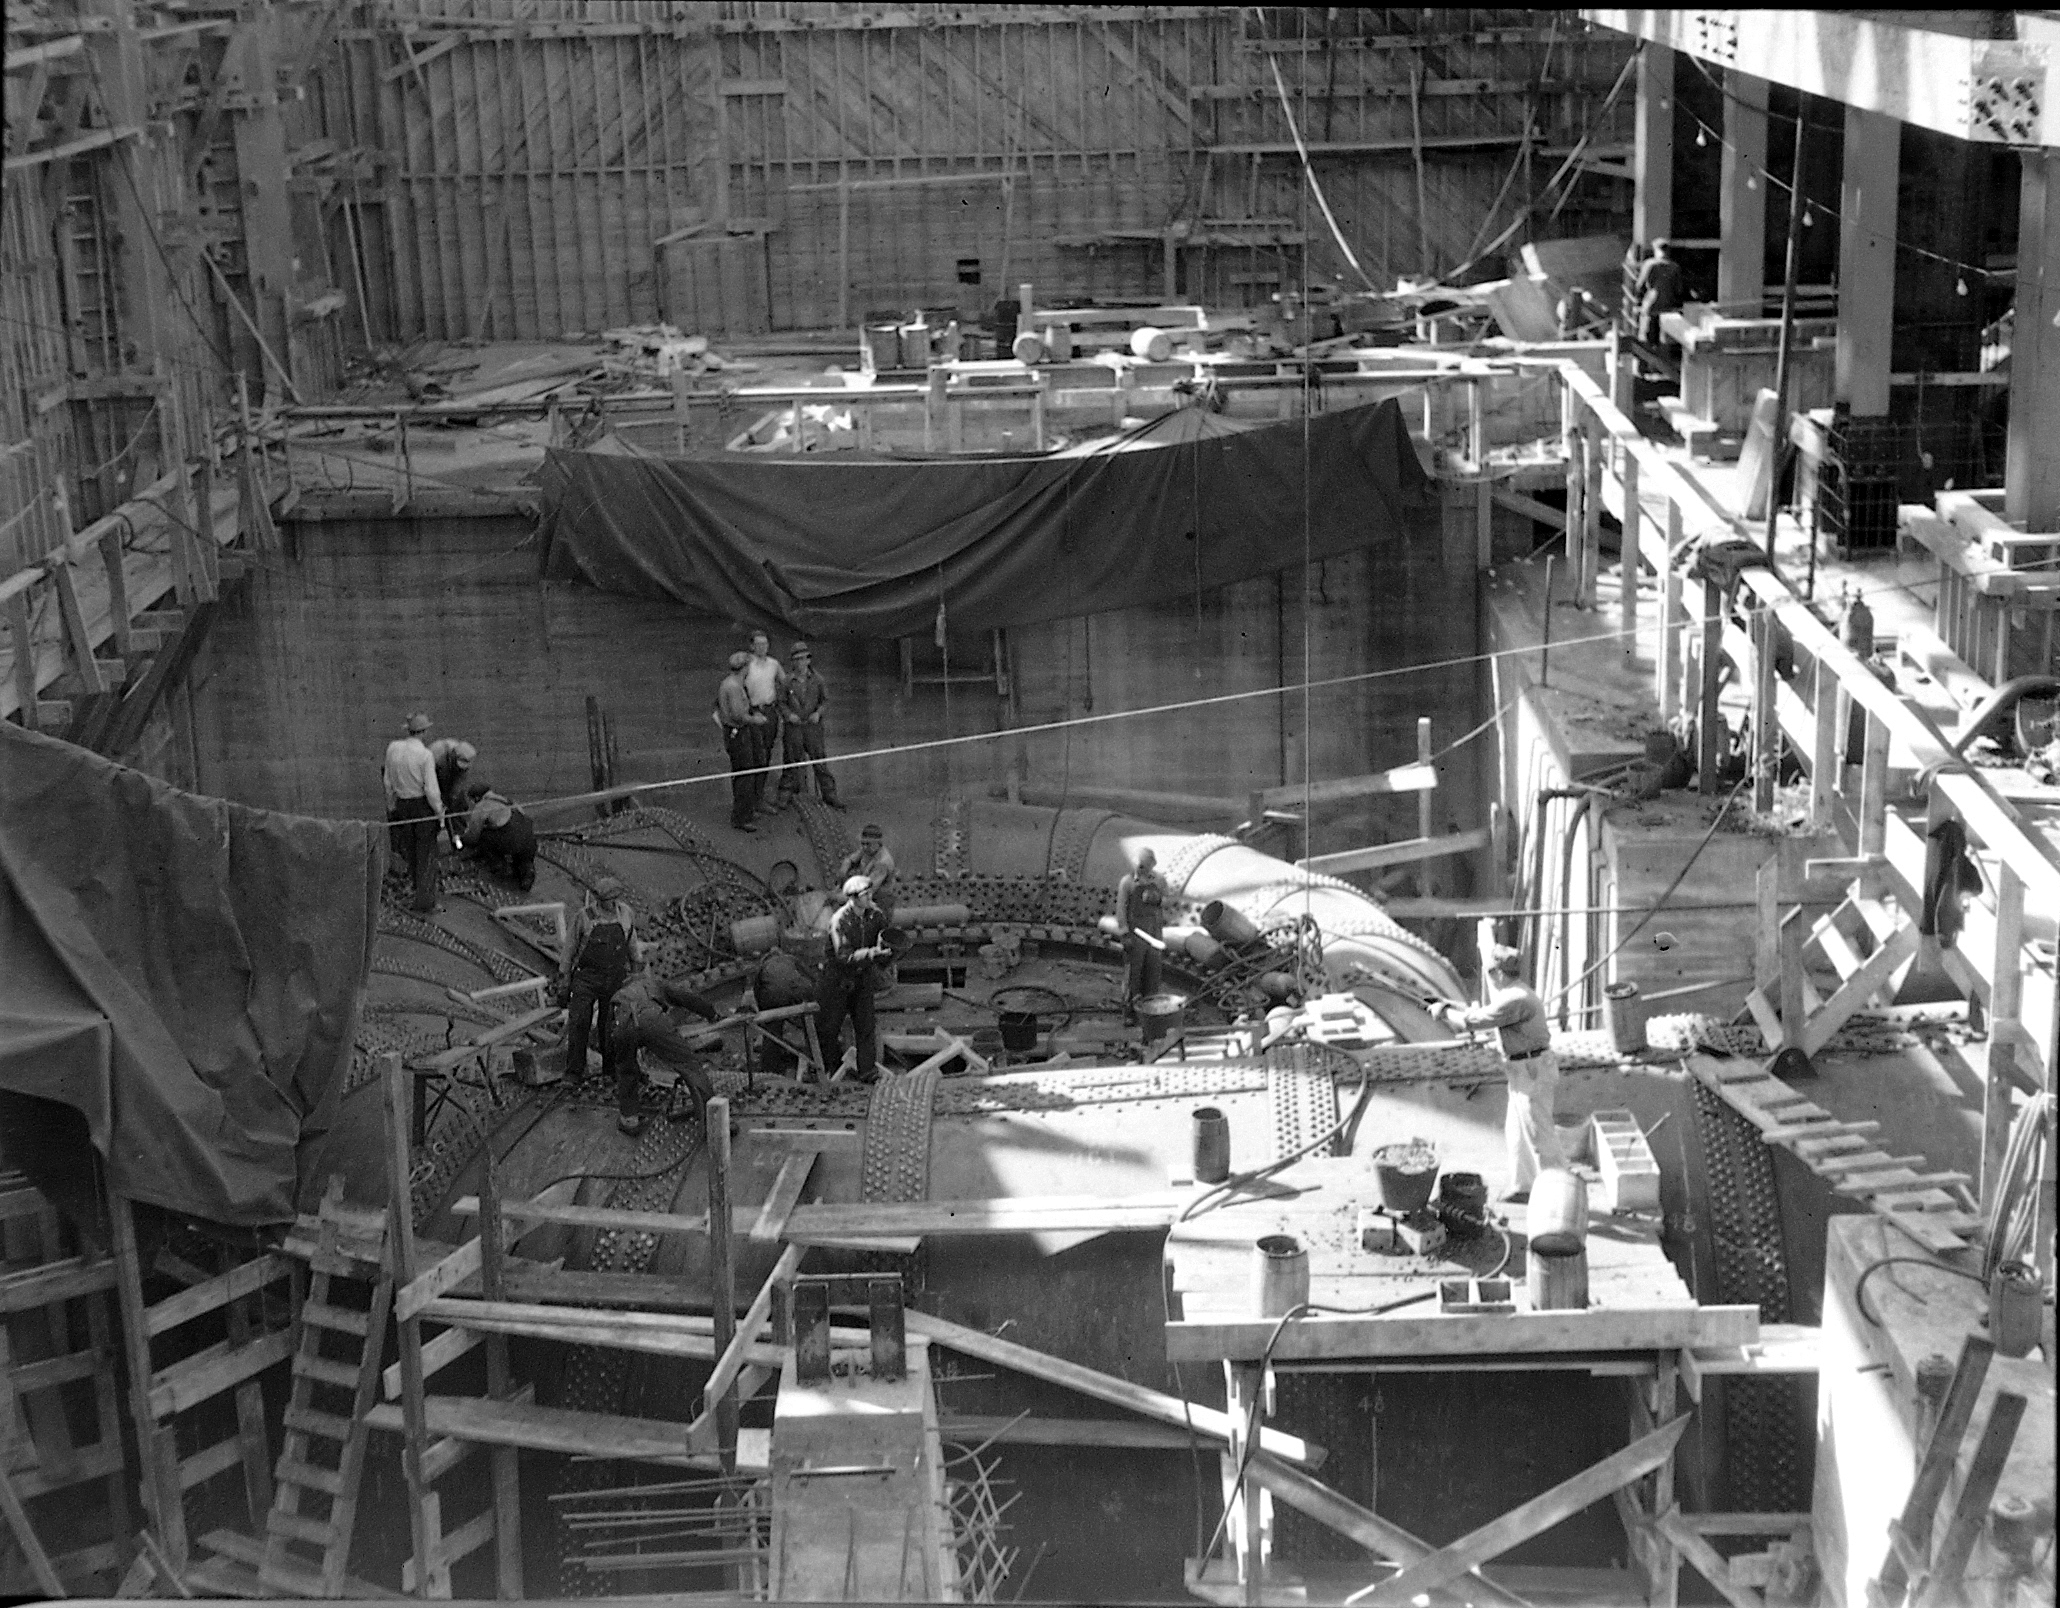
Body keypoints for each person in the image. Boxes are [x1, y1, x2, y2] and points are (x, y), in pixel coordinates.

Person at [1433, 946, 1564, 1200]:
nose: (1489, 977)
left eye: (1491, 973)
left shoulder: (1515, 998)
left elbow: (1475, 1021)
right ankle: (1523, 1187)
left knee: (1539, 1134)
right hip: (1521, 1069)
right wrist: (1452, 1007)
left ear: (1500, 973)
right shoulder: (1515, 993)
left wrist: (1443, 1012)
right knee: (1516, 1133)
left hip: (1532, 1070)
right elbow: (1484, 1014)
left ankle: (1559, 1193)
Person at [608, 967, 723, 1135]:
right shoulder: (652, 983)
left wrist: (614, 1062)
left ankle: (629, 1120)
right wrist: (710, 1013)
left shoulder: (617, 997)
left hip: (623, 1025)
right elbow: (686, 997)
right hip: (652, 1019)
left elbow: (608, 1034)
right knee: (688, 1065)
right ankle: (712, 1121)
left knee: (625, 1070)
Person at [559, 880, 640, 1096]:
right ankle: (574, 1072)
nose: (608, 904)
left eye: (611, 899)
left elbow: (632, 943)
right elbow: (569, 948)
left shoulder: (625, 914)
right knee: (579, 1022)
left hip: (615, 977)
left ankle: (610, 1069)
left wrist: (636, 969)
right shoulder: (584, 917)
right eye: (604, 900)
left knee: (609, 1025)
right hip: (587, 978)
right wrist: (564, 976)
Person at [819, 875, 890, 1082]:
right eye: (864, 895)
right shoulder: (840, 920)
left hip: (862, 978)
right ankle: (825, 1072)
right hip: (838, 980)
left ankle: (867, 1072)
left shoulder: (875, 916)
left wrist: (887, 954)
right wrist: (872, 954)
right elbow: (844, 956)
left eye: (869, 893)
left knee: (866, 1026)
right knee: (829, 1027)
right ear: (852, 898)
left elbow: (883, 939)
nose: (869, 897)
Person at [382, 712, 443, 913]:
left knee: (410, 851)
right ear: (424, 731)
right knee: (426, 854)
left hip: (402, 806)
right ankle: (426, 902)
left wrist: (392, 806)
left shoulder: (393, 748)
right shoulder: (425, 755)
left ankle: (416, 889)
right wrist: (439, 813)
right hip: (421, 807)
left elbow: (388, 781)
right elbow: (431, 790)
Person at [777, 640, 843, 810]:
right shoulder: (786, 681)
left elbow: (825, 701)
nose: (800, 663)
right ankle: (785, 795)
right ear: (793, 662)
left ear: (809, 660)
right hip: (794, 729)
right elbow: (781, 702)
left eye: (803, 659)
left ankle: (830, 795)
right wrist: (788, 715)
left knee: (820, 762)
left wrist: (818, 713)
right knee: (791, 762)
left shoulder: (818, 680)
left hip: (813, 729)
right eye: (797, 659)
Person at [1113, 847, 1167, 1022]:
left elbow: (1169, 901)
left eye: (1145, 866)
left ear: (1153, 864)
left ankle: (1150, 1011)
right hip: (1136, 936)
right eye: (1139, 866)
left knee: (1153, 972)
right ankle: (1130, 1012)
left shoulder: (1159, 881)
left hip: (1154, 934)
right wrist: (1124, 934)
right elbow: (1121, 910)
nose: (1141, 869)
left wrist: (1157, 899)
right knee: (1133, 974)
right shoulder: (1127, 883)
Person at [713, 651, 764, 833]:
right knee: (745, 774)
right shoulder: (734, 686)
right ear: (744, 667)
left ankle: (745, 811)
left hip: (734, 733)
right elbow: (737, 714)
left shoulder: (729, 683)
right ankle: (741, 817)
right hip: (738, 734)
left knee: (742, 773)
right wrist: (755, 719)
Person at [455, 785, 537, 892]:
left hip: (510, 841)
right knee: (523, 855)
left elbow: (473, 836)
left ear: (476, 798)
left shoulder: (482, 806)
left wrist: (460, 840)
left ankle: (499, 865)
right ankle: (526, 871)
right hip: (529, 841)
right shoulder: (508, 801)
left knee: (484, 836)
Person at [742, 629, 788, 811]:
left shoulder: (774, 664)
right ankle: (749, 801)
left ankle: (758, 799)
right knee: (753, 756)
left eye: (765, 644)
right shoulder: (746, 664)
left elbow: (785, 684)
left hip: (769, 712)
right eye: (759, 644)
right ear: (752, 646)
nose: (762, 648)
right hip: (752, 712)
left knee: (766, 755)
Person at [837, 823, 898, 917]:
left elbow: (868, 889)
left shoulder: (883, 863)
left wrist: (840, 897)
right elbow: (851, 860)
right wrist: (845, 867)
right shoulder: (868, 850)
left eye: (868, 844)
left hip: (879, 905)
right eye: (863, 843)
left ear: (878, 843)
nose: (864, 847)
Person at [1635, 238, 1684, 350]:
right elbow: (1679, 290)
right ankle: (1663, 365)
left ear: (1656, 249)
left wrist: (1640, 300)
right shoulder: (1675, 267)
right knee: (1665, 340)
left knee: (1646, 339)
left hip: (1650, 307)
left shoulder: (1649, 264)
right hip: (1668, 308)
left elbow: (1639, 286)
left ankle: (1645, 366)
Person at [430, 738, 481, 815]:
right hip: (433, 773)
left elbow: (459, 782)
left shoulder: (467, 761)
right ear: (454, 755)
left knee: (459, 804)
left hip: (448, 772)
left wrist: (453, 798)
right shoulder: (436, 754)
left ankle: (458, 823)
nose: (460, 768)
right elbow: (428, 779)